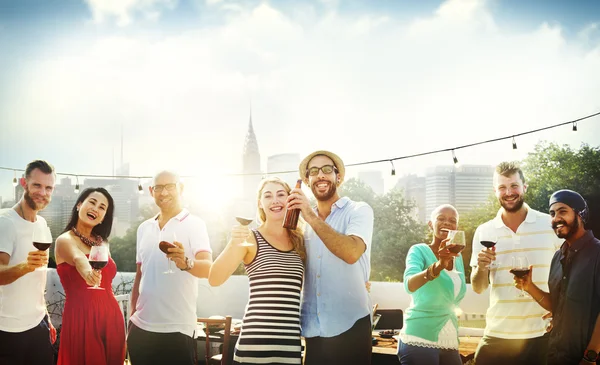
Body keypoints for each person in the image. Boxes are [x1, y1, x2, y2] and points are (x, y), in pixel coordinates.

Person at [286, 150, 374, 365]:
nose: (321, 175)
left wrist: (309, 215)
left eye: (327, 169)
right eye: (313, 171)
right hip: (313, 329)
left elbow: (352, 253)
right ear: (307, 181)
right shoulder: (300, 223)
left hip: (350, 325)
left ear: (338, 177)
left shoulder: (358, 210)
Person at [470, 161, 562, 365]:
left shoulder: (549, 224)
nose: (508, 192)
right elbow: (478, 287)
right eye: (502, 187)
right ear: (495, 191)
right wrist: (482, 268)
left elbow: (569, 275)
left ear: (524, 187)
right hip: (497, 333)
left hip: (542, 334)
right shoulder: (484, 231)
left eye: (514, 186)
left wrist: (561, 311)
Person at [209, 176, 305, 364]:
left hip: (290, 345)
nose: (275, 200)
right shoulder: (250, 237)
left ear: (290, 199)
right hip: (254, 345)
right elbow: (214, 278)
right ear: (260, 204)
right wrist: (233, 242)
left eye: (281, 194)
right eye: (268, 196)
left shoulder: (300, 241)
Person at [127, 170, 213, 365]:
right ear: (151, 191)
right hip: (141, 329)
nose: (163, 193)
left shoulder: (195, 224)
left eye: (170, 187)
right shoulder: (144, 228)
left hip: (178, 329)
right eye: (158, 188)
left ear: (181, 188)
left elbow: (208, 268)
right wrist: (132, 317)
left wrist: (186, 263)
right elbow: (140, 274)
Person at [513, 189, 600, 365]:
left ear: (580, 215)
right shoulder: (557, 256)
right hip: (556, 355)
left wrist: (590, 355)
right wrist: (529, 287)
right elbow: (556, 305)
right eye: (552, 213)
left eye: (562, 211)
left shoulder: (598, 253)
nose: (555, 219)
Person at [54, 187, 126, 365]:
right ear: (79, 205)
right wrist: (88, 273)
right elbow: (79, 258)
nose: (96, 209)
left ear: (104, 216)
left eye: (102, 207)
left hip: (111, 318)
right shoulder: (64, 240)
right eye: (92, 202)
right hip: (82, 319)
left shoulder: (103, 242)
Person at [0, 160, 57, 365]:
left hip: (37, 325)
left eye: (48, 187)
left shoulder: (42, 224)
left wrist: (45, 317)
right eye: (37, 185)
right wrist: (25, 266)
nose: (42, 192)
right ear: (24, 183)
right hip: (7, 331)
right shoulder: (5, 222)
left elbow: (37, 280)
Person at [397, 204, 466, 365]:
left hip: (449, 340)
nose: (447, 223)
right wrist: (439, 265)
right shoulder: (419, 251)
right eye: (441, 219)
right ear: (430, 224)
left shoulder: (458, 257)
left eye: (452, 220)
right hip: (419, 338)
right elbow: (409, 285)